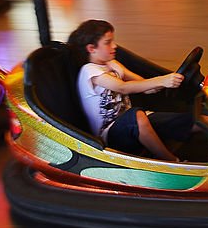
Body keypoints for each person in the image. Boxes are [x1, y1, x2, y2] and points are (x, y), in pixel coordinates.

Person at [70, 19, 196, 161]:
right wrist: (162, 80)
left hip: (132, 123)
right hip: (109, 136)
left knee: (189, 120)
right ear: (91, 49)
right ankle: (171, 161)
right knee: (138, 116)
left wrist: (169, 82)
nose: (114, 46)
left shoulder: (112, 64)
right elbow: (122, 88)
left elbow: (144, 85)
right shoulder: (89, 71)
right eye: (108, 42)